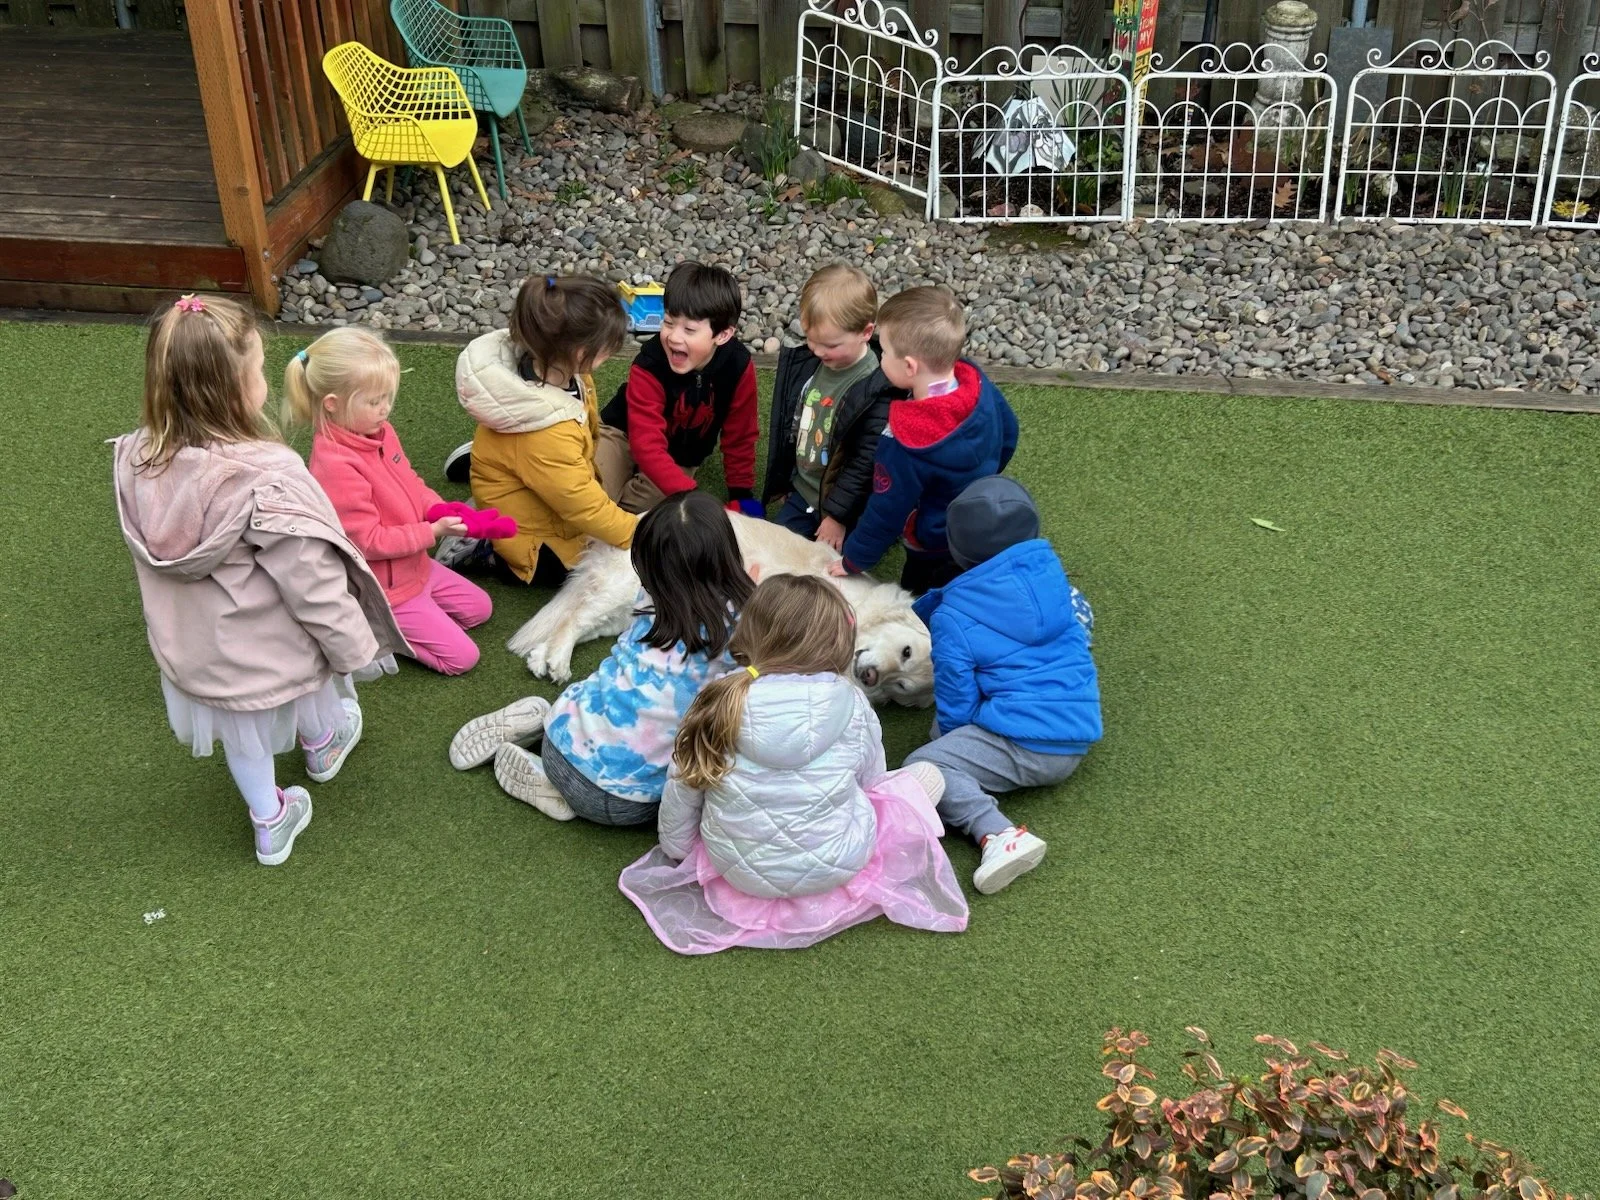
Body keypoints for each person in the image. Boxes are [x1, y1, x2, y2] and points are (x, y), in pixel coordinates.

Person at [111, 295, 404, 866]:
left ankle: (270, 820)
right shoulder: (268, 476)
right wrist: (354, 646)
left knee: (242, 735)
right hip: (270, 640)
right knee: (311, 670)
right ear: (236, 389)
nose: (265, 380)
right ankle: (322, 744)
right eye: (258, 370)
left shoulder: (135, 456)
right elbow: (312, 584)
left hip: (196, 650)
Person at [617, 574, 968, 954]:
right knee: (927, 776)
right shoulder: (854, 704)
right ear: (837, 642)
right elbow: (872, 785)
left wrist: (680, 853)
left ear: (752, 632)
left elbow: (684, 785)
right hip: (840, 864)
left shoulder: (717, 697)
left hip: (736, 873)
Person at [449, 490, 754, 826]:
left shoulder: (651, 596)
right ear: (726, 552)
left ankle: (543, 722)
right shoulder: (742, 622)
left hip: (562, 732)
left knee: (615, 688)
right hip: (621, 803)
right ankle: (551, 785)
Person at [905, 477, 1101, 894]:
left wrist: (950, 741)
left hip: (1028, 742)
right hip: (1077, 728)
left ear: (955, 548)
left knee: (923, 767)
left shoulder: (953, 613)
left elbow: (955, 696)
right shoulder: (1059, 584)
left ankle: (997, 833)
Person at [284, 326, 491, 675]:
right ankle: (376, 628)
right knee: (462, 659)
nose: (385, 409)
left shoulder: (379, 432)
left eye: (387, 397)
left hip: (416, 568)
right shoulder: (335, 466)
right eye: (374, 401)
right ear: (333, 405)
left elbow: (410, 481)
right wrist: (432, 531)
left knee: (480, 609)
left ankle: (420, 615)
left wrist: (437, 508)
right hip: (387, 590)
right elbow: (369, 541)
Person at [446, 274, 637, 587]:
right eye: (607, 348)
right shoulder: (546, 433)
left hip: (539, 477)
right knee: (570, 570)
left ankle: (496, 465)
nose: (611, 353)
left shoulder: (561, 371)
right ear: (579, 351)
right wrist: (636, 534)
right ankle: (486, 549)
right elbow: (582, 505)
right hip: (532, 541)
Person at [827, 286, 1019, 594]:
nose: (881, 357)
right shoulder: (977, 383)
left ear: (910, 367)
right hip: (978, 520)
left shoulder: (906, 440)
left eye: (885, 352)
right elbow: (1010, 431)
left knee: (919, 590)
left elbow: (886, 510)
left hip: (933, 539)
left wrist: (854, 560)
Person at [596, 262, 763, 517]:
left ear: (723, 335)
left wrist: (741, 494)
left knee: (658, 508)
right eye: (669, 322)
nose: (674, 337)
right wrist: (695, 498)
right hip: (623, 433)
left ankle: (617, 508)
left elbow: (741, 435)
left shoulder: (738, 366)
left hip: (680, 456)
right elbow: (646, 444)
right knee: (592, 488)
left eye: (689, 329)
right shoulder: (649, 363)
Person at [763, 263, 897, 550]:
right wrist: (789, 479)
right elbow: (795, 423)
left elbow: (864, 463)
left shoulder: (877, 389)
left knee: (829, 576)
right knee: (773, 555)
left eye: (831, 345)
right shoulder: (813, 363)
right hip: (804, 492)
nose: (818, 351)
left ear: (866, 331)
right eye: (811, 340)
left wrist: (837, 515)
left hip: (843, 508)